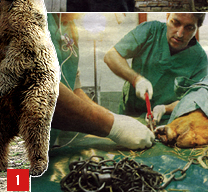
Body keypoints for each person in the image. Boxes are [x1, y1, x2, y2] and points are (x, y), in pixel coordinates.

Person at [48, 13, 154, 150]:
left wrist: (114, 117)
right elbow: (40, 90)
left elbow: (73, 90)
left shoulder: (69, 26)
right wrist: (112, 126)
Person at [104, 13, 208, 125]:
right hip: (131, 115)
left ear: (197, 28)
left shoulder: (199, 59)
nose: (179, 34)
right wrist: (136, 79)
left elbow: (194, 99)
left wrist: (165, 109)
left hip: (168, 122)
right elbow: (111, 56)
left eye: (189, 28)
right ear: (167, 16)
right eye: (175, 23)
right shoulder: (150, 31)